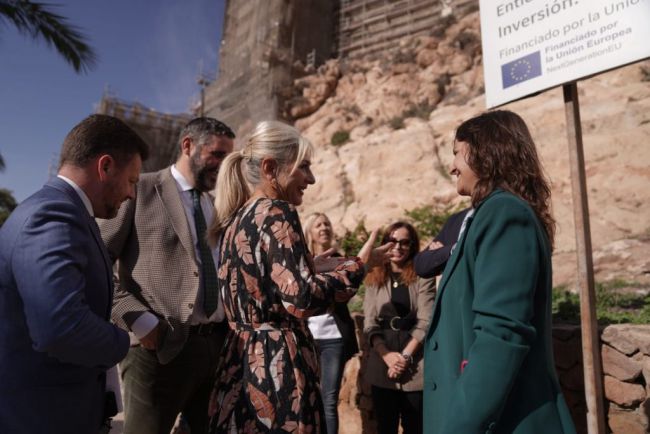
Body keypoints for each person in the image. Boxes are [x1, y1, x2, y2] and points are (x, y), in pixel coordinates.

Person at [207, 120, 388, 433]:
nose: (311, 179)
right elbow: (302, 299)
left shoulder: (235, 219)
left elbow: (260, 284)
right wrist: (359, 265)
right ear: (269, 167)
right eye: (303, 167)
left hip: (239, 365)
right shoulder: (278, 211)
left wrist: (308, 265)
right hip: (277, 370)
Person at [423, 110, 577, 434]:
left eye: (456, 154)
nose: (452, 166)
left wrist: (460, 425)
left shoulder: (503, 213)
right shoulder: (491, 213)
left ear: (485, 152)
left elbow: (501, 334)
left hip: (501, 419)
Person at [0, 114, 148, 433]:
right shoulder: (53, 214)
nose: (132, 195)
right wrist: (126, 341)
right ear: (105, 166)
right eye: (132, 181)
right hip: (42, 418)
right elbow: (60, 327)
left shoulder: (70, 213)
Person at [98, 117, 235, 434]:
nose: (222, 165)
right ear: (188, 145)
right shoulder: (140, 189)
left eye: (227, 158)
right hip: (156, 350)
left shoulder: (215, 206)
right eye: (216, 155)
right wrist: (137, 319)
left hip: (213, 347)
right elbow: (97, 261)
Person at [363, 222, 435, 434]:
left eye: (404, 242)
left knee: (415, 427)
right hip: (382, 362)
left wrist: (404, 358)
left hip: (414, 362)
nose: (398, 247)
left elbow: (426, 320)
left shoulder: (424, 275)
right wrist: (386, 356)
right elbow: (369, 321)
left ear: (412, 246)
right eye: (392, 241)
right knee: (385, 427)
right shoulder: (374, 275)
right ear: (385, 244)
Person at [303, 212, 359, 434]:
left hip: (333, 339)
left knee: (328, 399)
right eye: (318, 225)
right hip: (304, 337)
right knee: (306, 397)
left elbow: (350, 289)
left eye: (327, 223)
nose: (324, 228)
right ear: (310, 231)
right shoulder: (301, 260)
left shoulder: (340, 259)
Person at [413, 207, 470, 279]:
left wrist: (442, 252)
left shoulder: (486, 216)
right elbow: (420, 265)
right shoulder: (456, 219)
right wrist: (448, 251)